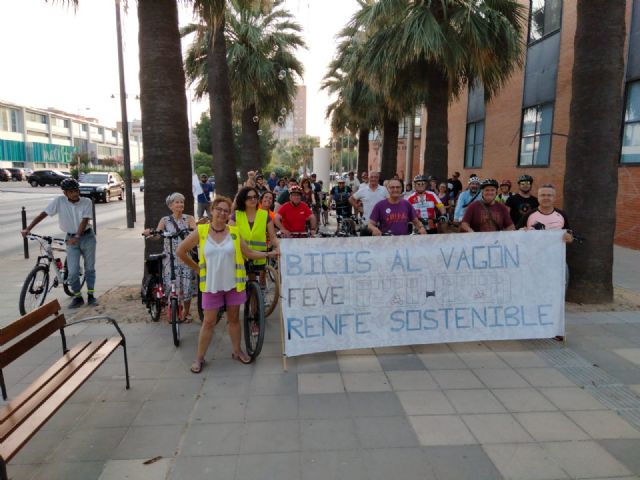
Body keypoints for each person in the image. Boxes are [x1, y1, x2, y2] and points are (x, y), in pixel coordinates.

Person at [176, 196, 279, 373]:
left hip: (233, 284)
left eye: (226, 210)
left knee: (233, 320)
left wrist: (270, 254)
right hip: (211, 285)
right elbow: (181, 251)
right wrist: (198, 269)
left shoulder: (233, 232)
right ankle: (199, 357)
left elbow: (248, 252)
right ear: (212, 210)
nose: (223, 213)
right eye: (219, 209)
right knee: (208, 322)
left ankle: (237, 351)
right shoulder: (201, 231)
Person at [21, 178, 98, 308]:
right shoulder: (59, 201)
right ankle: (78, 297)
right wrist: (28, 228)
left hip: (87, 237)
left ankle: (91, 295)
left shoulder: (86, 201)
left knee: (89, 268)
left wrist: (78, 236)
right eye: (71, 191)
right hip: (70, 238)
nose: (75, 193)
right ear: (65, 193)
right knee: (72, 272)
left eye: (76, 190)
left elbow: (85, 220)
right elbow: (43, 214)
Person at [144, 192, 198, 321]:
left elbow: (195, 232)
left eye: (181, 202)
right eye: (177, 202)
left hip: (186, 257)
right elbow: (158, 234)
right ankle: (174, 309)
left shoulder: (189, 218)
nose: (180, 204)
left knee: (187, 286)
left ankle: (187, 312)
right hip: (170, 259)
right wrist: (150, 233)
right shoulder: (165, 220)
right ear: (170, 206)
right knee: (172, 284)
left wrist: (195, 229)